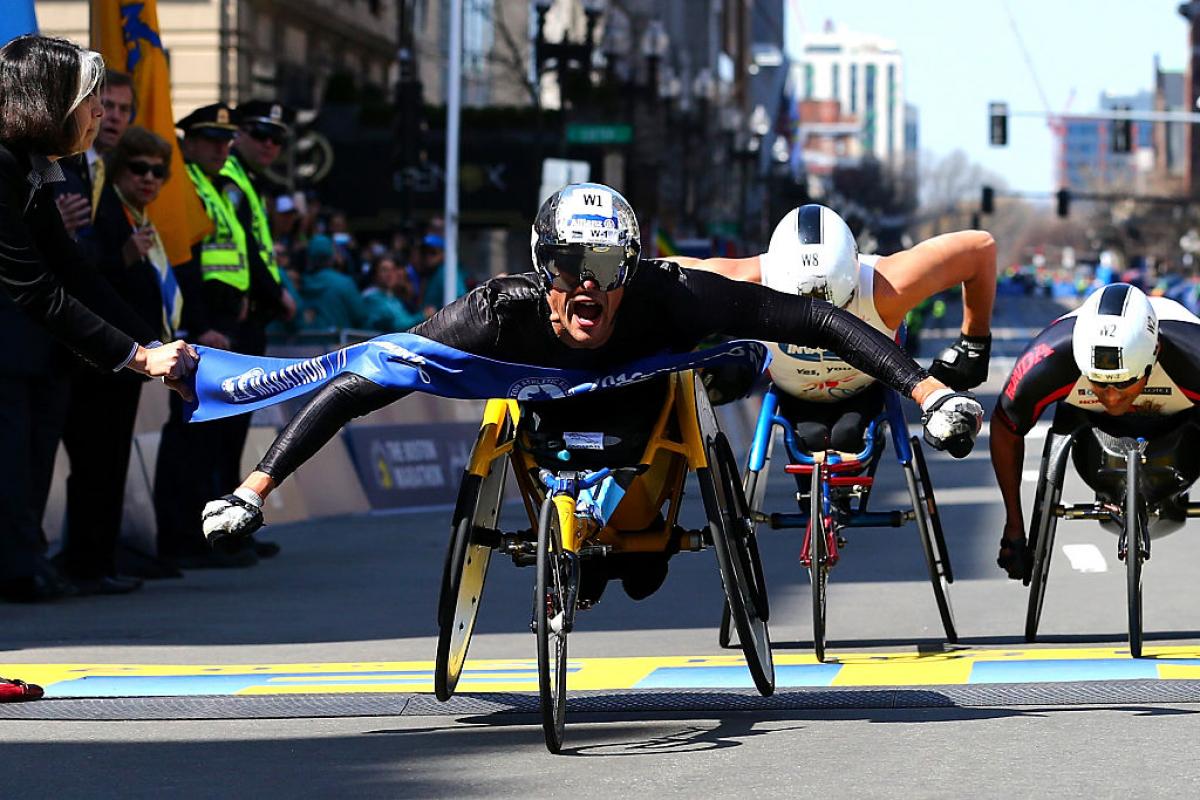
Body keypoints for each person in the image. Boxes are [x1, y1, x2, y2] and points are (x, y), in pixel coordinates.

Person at [201, 183, 984, 600]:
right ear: (541, 269)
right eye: (572, 266)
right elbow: (357, 385)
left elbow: (814, 318)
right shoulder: (490, 314)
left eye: (609, 268)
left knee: (650, 555)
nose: (590, 285)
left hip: (644, 424)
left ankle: (638, 533)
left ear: (633, 269)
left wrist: (927, 394)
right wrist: (254, 488)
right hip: (543, 422)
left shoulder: (669, 294)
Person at [0, 35, 195, 604]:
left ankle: (24, 566)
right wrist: (138, 357)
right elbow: (36, 289)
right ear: (47, 101)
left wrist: (158, 346)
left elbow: (73, 272)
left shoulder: (29, 168)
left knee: (26, 469)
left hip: (29, 353)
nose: (98, 114)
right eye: (89, 99)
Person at [690, 204, 996, 452]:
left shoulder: (887, 285)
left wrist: (974, 344)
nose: (823, 328)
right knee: (814, 434)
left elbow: (981, 248)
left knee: (846, 434)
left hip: (867, 387)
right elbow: (657, 273)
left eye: (838, 310)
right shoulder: (746, 281)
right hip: (791, 393)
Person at [991, 283, 1200, 579]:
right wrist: (1014, 524)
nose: (1112, 397)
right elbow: (1006, 425)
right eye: (1099, 382)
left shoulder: (1193, 356)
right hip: (1090, 427)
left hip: (1183, 429)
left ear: (1154, 354)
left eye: (1124, 382)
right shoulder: (1051, 357)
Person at [58, 126, 182, 592]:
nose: (149, 179)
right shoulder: (105, 211)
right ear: (116, 170)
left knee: (110, 464)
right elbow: (90, 281)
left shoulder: (137, 216)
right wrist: (125, 257)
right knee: (95, 462)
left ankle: (101, 559)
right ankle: (86, 562)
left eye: (158, 171)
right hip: (102, 358)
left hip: (130, 358)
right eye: (139, 169)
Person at [153, 101, 273, 568]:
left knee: (220, 436)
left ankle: (214, 533)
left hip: (227, 321)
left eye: (226, 140)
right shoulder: (186, 185)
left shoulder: (219, 184)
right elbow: (186, 264)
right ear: (189, 142)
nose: (221, 148)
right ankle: (183, 537)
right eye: (211, 140)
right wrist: (202, 323)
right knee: (193, 437)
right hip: (203, 325)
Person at [54, 68, 134, 239]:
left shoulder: (112, 170)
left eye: (124, 109)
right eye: (108, 105)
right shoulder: (59, 163)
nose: (115, 117)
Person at [298, 234, 379, 330]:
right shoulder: (344, 283)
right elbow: (361, 317)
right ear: (332, 256)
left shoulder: (299, 283)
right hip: (340, 343)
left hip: (305, 343)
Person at [361, 252, 423, 331]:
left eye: (393, 269)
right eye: (384, 270)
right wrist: (423, 316)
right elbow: (398, 325)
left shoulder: (393, 297)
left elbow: (405, 319)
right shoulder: (371, 298)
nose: (390, 274)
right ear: (375, 274)